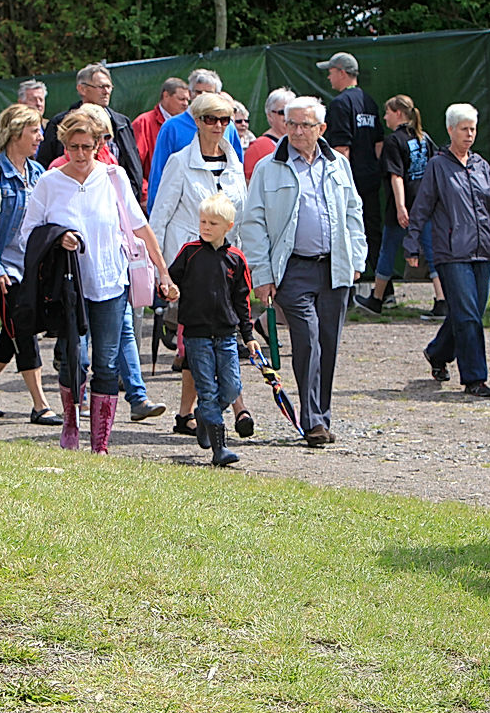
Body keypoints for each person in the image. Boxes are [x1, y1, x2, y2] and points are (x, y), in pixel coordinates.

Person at [24, 108, 177, 453]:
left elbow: (139, 227)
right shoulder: (49, 183)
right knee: (73, 357)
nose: (80, 155)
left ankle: (101, 442)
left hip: (110, 281)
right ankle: (70, 425)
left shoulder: (114, 177)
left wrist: (163, 272)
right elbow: (28, 233)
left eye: (86, 147)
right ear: (63, 145)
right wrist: (58, 236)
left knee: (107, 361)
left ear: (99, 145)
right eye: (73, 147)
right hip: (69, 285)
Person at [239, 96, 366, 446]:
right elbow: (253, 224)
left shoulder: (338, 164)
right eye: (290, 123)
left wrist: (357, 259)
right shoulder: (269, 167)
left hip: (335, 268)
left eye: (304, 125)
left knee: (328, 342)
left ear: (320, 129)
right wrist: (262, 276)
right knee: (307, 341)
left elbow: (354, 212)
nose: (295, 131)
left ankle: (322, 414)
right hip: (292, 268)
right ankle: (312, 422)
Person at [149, 91, 254, 439]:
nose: (218, 126)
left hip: (225, 265)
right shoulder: (180, 161)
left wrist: (245, 264)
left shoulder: (234, 163)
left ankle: (195, 413)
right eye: (210, 119)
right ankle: (230, 410)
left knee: (215, 337)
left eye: (224, 120)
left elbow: (243, 216)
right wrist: (162, 272)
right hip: (190, 267)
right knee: (203, 339)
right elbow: (159, 216)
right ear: (196, 121)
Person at [406, 103, 490, 399]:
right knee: (467, 316)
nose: (469, 134)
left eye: (473, 129)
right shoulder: (438, 166)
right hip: (451, 253)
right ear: (451, 130)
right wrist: (412, 243)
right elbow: (422, 207)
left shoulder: (481, 165)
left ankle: (438, 352)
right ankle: (475, 378)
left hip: (482, 250)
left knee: (470, 314)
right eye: (464, 129)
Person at [0, 104, 64, 426]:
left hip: (32, 268)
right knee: (22, 330)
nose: (40, 137)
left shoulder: (39, 174)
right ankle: (39, 404)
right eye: (35, 130)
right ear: (15, 132)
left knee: (14, 330)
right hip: (6, 269)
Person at [169, 194, 260, 466]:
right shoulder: (189, 252)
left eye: (213, 223)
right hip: (196, 335)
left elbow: (242, 301)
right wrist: (168, 290)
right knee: (207, 388)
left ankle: (207, 416)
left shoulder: (236, 259)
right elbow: (170, 281)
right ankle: (219, 449)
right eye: (203, 222)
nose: (206, 227)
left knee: (231, 387)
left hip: (226, 334)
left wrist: (249, 336)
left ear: (228, 226)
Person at [354, 94, 444, 316]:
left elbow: (397, 176)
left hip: (402, 207)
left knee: (387, 251)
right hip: (424, 205)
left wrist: (401, 206)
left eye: (387, 113)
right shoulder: (424, 138)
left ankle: (377, 298)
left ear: (397, 113)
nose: (384, 118)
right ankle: (442, 300)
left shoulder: (394, 141)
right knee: (432, 252)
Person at [36, 64, 144, 204]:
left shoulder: (122, 123)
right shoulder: (61, 123)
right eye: (100, 87)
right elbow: (44, 166)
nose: (106, 92)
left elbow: (133, 168)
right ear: (82, 89)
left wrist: (127, 200)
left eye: (109, 86)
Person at [317, 52, 382, 271]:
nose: (329, 78)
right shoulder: (370, 102)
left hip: (351, 181)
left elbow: (341, 148)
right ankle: (383, 285)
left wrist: (341, 182)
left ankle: (355, 279)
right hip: (371, 178)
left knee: (348, 227)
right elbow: (378, 144)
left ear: (342, 73)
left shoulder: (339, 104)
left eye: (331, 72)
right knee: (373, 228)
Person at [147, 68, 243, 213]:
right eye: (198, 92)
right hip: (185, 213)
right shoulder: (171, 127)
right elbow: (158, 173)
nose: (203, 96)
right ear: (190, 94)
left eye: (208, 92)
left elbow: (237, 167)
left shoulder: (228, 127)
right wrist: (153, 211)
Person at [131, 77, 189, 207]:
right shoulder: (144, 123)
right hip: (153, 198)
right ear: (166, 95)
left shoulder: (188, 125)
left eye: (187, 100)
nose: (186, 104)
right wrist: (145, 194)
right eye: (181, 99)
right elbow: (133, 165)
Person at [243, 87, 293, 182]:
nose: (287, 117)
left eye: (290, 112)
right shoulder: (257, 147)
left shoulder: (300, 144)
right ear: (269, 115)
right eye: (282, 112)